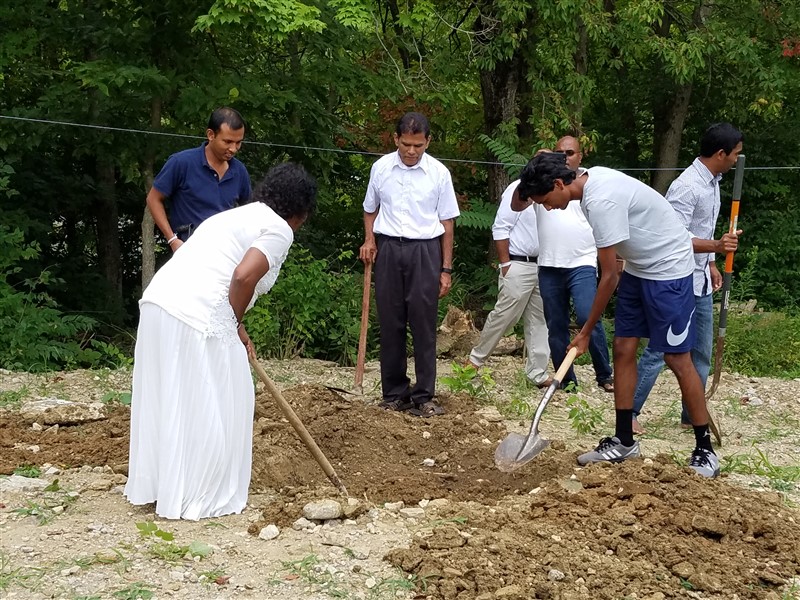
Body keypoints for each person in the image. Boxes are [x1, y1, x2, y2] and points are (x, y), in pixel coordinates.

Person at [512, 152, 736, 478]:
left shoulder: (600, 201)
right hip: (640, 269)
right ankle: (624, 441)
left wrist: (585, 332)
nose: (546, 207)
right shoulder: (587, 183)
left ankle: (705, 450)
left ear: (559, 184)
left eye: (545, 200)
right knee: (622, 347)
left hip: (669, 270)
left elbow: (608, 277)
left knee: (676, 358)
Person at [125, 163, 317, 519]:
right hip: (198, 315)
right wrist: (234, 320)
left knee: (175, 395)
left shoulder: (235, 217)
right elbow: (243, 277)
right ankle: (199, 494)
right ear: (301, 212)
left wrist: (236, 324)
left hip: (160, 304)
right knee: (222, 395)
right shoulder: (278, 228)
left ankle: (166, 489)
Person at [632, 124, 743, 434]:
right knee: (661, 349)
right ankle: (629, 412)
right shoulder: (687, 186)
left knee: (701, 353)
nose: (737, 159)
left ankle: (691, 414)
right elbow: (673, 237)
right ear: (720, 153)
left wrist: (711, 262)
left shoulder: (713, 183)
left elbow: (702, 228)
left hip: (700, 280)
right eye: (735, 154)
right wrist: (717, 247)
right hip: (676, 280)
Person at [359, 112, 460, 418]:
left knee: (423, 324)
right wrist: (369, 239)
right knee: (391, 323)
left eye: (418, 145)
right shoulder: (381, 168)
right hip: (389, 249)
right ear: (396, 139)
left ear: (428, 141)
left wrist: (445, 269)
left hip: (425, 251)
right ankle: (394, 394)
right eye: (406, 144)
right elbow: (370, 209)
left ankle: (424, 395)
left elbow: (447, 222)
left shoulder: (439, 173)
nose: (412, 151)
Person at [534, 136, 614, 392]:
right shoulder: (542, 181)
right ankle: (566, 380)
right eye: (559, 153)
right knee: (555, 324)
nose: (564, 157)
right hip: (549, 263)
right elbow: (517, 203)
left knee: (587, 315)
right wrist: (536, 164)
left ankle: (605, 375)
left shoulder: (589, 183)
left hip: (582, 261)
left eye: (569, 153)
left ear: (580, 156)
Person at [466, 169, 551, 388]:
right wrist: (505, 264)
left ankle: (537, 373)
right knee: (505, 315)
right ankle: (475, 361)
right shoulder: (518, 189)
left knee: (540, 319)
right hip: (518, 262)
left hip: (544, 263)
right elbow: (501, 226)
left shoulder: (553, 193)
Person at [146, 107, 252, 252]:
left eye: (238, 142)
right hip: (189, 252)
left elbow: (249, 212)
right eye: (227, 142)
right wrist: (172, 240)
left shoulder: (239, 171)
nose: (233, 148)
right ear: (211, 135)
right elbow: (153, 199)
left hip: (226, 254)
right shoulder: (181, 163)